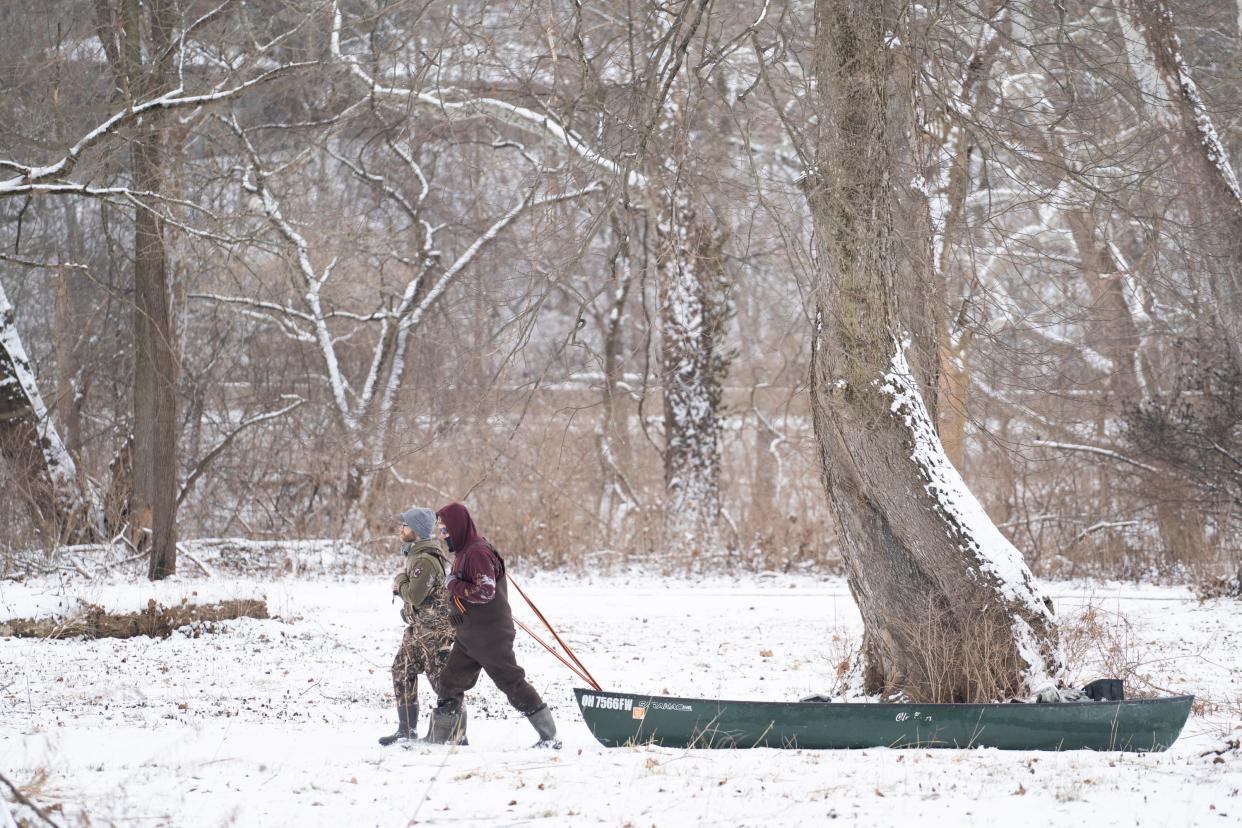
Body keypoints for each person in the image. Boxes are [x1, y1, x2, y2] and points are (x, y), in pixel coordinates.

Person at [427, 501, 560, 748]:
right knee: (449, 682)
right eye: (441, 530)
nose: (443, 535)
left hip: (490, 637)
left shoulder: (476, 552)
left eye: (445, 530)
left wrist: (452, 584)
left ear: (457, 527)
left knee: (512, 683)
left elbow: (485, 591)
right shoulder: (465, 551)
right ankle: (447, 738)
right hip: (470, 637)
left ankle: (550, 738)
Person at [378, 507, 454, 746]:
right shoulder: (415, 555)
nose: (401, 528)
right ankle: (406, 730)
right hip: (419, 628)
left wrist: (399, 580)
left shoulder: (424, 559)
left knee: (441, 681)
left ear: (418, 531)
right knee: (402, 669)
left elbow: (414, 595)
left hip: (434, 631)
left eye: (405, 525)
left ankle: (454, 731)